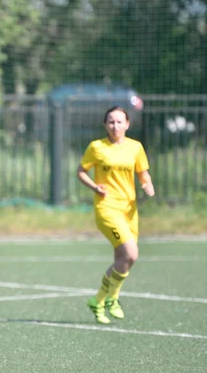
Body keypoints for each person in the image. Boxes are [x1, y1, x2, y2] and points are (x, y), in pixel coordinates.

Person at [77, 106, 155, 324]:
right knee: (131, 254)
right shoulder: (97, 147)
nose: (115, 126)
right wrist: (94, 187)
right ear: (105, 125)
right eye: (111, 122)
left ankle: (103, 300)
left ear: (128, 124)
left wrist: (147, 185)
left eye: (120, 122)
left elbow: (143, 173)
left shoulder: (135, 147)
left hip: (129, 210)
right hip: (107, 208)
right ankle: (108, 297)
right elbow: (81, 171)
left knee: (124, 260)